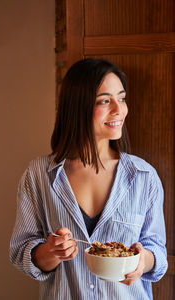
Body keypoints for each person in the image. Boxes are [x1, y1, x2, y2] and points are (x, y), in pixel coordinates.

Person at [10, 58, 168, 300]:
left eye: (122, 98)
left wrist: (142, 260)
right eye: (105, 101)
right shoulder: (38, 174)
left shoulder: (144, 177)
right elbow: (21, 252)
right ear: (78, 106)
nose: (119, 109)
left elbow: (157, 251)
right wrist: (51, 252)